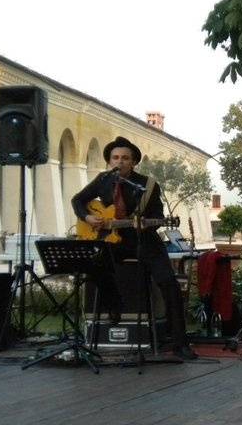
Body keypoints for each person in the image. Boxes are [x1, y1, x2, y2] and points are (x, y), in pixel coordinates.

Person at [72, 136, 197, 361]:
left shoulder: (147, 185)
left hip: (145, 240)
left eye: (125, 158)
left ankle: (180, 342)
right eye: (115, 158)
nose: (120, 162)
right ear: (110, 161)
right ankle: (114, 304)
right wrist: (88, 217)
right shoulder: (103, 180)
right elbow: (77, 201)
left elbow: (158, 217)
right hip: (112, 240)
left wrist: (146, 221)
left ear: (133, 162)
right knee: (94, 264)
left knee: (169, 283)